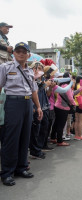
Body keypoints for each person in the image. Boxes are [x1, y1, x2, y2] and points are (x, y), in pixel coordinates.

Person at [0, 42, 43, 186]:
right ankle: (7, 172)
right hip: (13, 103)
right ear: (13, 54)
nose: (20, 53)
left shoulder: (30, 71)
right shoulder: (5, 67)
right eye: (17, 51)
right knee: (11, 138)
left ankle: (21, 167)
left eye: (24, 51)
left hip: (27, 104)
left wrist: (38, 107)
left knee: (25, 136)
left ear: (28, 55)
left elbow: (34, 91)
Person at [29, 62, 50, 159]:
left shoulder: (41, 80)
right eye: (38, 68)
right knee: (34, 131)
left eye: (42, 68)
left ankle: (38, 149)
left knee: (41, 129)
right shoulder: (31, 78)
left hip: (43, 107)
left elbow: (47, 93)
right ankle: (34, 151)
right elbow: (34, 93)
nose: (40, 70)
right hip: (35, 107)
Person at [50, 72, 76, 146]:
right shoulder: (66, 86)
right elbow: (70, 98)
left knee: (56, 123)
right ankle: (60, 141)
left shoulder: (61, 85)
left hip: (57, 106)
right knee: (61, 124)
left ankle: (53, 137)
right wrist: (73, 104)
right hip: (63, 108)